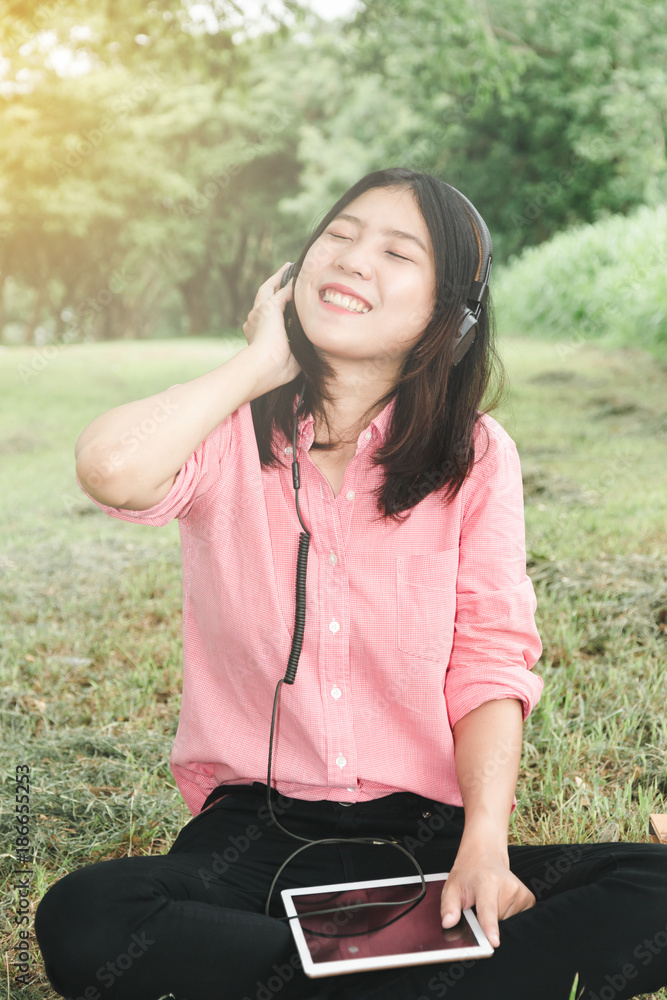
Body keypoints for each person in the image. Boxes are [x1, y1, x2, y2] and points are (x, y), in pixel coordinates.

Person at [34, 168, 667, 1000]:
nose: (355, 259)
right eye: (340, 234)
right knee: (91, 914)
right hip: (251, 841)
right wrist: (257, 362)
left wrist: (484, 841)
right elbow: (112, 469)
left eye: (397, 251)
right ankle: (416, 984)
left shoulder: (476, 455)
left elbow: (488, 656)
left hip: (424, 839)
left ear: (448, 314)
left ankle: (318, 979)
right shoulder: (227, 431)